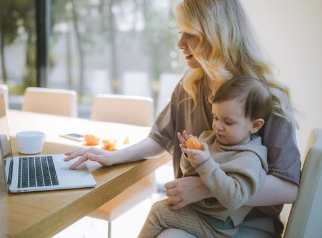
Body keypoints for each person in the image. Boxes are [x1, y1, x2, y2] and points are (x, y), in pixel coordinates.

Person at [64, 0, 301, 237]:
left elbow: (288, 188)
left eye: (191, 34)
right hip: (194, 211)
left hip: (248, 222)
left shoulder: (267, 97)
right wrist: (115, 156)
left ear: (217, 34)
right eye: (180, 32)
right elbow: (160, 138)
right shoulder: (189, 85)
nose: (179, 43)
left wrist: (206, 187)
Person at [138, 76, 271, 238]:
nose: (218, 126)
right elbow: (187, 172)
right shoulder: (210, 138)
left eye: (228, 122)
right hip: (199, 211)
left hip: (217, 224)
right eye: (216, 118)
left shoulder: (250, 158)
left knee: (159, 213)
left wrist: (206, 163)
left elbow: (234, 198)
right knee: (160, 208)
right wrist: (189, 155)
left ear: (255, 125)